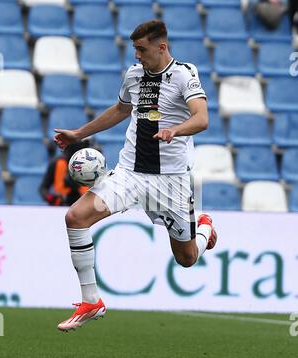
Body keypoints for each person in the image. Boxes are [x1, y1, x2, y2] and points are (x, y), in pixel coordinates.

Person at [54, 20, 217, 332]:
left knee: (187, 258)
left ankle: (204, 230)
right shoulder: (133, 75)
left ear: (161, 47)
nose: (137, 55)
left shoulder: (184, 74)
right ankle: (92, 301)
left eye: (142, 49)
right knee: (75, 218)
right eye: (135, 49)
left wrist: (175, 130)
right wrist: (78, 133)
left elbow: (202, 118)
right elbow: (119, 110)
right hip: (130, 175)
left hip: (171, 182)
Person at [40, 142, 89, 206]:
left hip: (83, 205)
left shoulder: (89, 165)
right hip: (61, 204)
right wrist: (51, 198)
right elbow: (43, 189)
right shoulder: (57, 163)